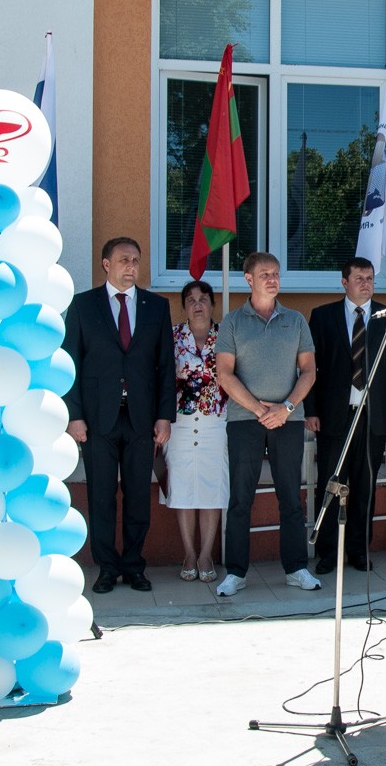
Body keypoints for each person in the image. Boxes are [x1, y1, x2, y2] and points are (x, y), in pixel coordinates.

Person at [62, 237, 175, 594]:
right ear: (106, 264)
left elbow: (165, 366)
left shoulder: (156, 307)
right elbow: (69, 363)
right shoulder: (83, 306)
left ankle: (133, 565)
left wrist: (164, 416)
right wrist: (74, 415)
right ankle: (107, 568)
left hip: (142, 418)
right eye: (124, 259)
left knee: (138, 496)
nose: (131, 266)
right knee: (101, 496)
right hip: (98, 419)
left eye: (136, 260)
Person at [213, 252, 321, 598]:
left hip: (288, 419)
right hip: (245, 420)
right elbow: (224, 375)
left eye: (276, 274)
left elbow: (309, 371)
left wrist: (286, 408)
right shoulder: (232, 322)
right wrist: (260, 409)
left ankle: (296, 568)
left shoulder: (296, 320)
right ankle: (235, 573)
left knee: (291, 496)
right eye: (265, 275)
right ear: (249, 279)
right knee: (240, 498)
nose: (273, 280)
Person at [304, 257, 386, 574]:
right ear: (344, 282)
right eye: (359, 278)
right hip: (334, 415)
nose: (366, 283)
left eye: (370, 278)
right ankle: (328, 553)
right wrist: (311, 410)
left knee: (365, 485)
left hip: (373, 417)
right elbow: (310, 368)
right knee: (331, 483)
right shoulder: (323, 316)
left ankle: (359, 550)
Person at [160, 280, 228, 583]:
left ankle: (205, 555)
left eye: (203, 299)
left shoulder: (226, 335)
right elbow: (160, 377)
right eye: (190, 300)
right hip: (179, 423)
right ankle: (189, 553)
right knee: (183, 487)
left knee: (212, 487)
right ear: (184, 307)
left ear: (212, 303)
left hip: (216, 422)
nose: (197, 304)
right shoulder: (172, 336)